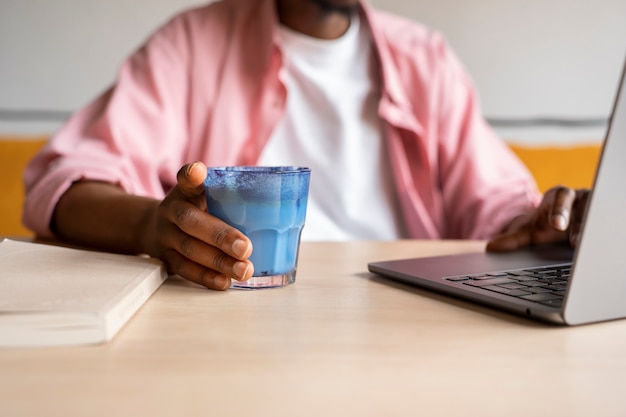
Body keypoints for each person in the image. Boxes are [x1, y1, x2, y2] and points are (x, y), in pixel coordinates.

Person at [23, 0, 589, 290]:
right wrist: (153, 227)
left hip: (407, 324)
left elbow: (497, 205)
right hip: (233, 317)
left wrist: (542, 220)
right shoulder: (193, 43)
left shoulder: (426, 59)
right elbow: (66, 186)